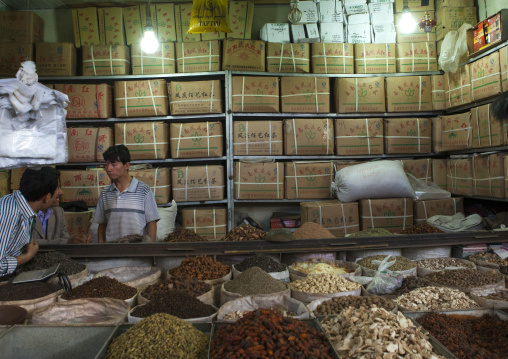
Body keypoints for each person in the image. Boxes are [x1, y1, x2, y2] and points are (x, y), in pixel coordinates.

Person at [93, 145, 160, 243]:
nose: (108, 169)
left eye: (113, 164)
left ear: (126, 165)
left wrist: (149, 250)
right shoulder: (105, 193)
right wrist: (101, 248)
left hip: (137, 249)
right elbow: (102, 224)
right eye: (106, 165)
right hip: (111, 250)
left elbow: (152, 222)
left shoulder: (144, 190)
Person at [0, 167, 60, 275]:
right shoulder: (10, 215)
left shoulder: (21, 205)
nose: (61, 192)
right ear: (47, 197)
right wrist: (28, 256)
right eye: (58, 189)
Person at [32, 168, 92, 244]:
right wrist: (67, 242)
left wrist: (78, 240)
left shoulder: (58, 212)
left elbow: (65, 239)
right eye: (57, 188)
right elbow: (28, 243)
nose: (61, 192)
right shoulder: (25, 213)